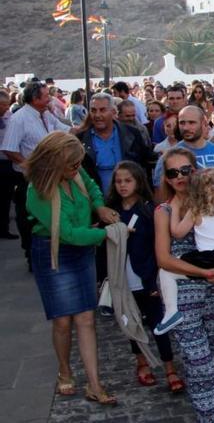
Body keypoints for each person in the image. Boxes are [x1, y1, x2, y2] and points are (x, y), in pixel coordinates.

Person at [25, 132, 120, 405]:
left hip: (82, 248)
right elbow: (67, 233)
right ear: (54, 163)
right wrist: (106, 234)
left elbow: (91, 187)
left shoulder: (75, 173)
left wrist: (100, 208)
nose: (78, 169)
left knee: (86, 319)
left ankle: (94, 383)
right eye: (72, 166)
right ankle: (65, 370)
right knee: (63, 320)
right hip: (54, 251)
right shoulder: (38, 191)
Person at [154, 147, 214, 422]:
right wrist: (200, 272)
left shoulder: (212, 203)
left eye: (185, 170)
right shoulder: (164, 211)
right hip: (185, 297)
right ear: (166, 178)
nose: (180, 176)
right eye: (173, 172)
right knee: (199, 362)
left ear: (195, 170)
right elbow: (164, 259)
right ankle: (211, 417)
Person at [105, 162, 184, 393]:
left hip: (147, 277)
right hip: (122, 277)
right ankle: (141, 363)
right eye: (119, 181)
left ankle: (169, 367)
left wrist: (154, 278)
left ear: (138, 182)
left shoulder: (149, 210)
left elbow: (158, 246)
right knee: (132, 322)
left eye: (127, 180)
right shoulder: (111, 210)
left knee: (158, 323)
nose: (122, 185)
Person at [157, 167, 214, 334]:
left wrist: (174, 207)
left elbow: (177, 232)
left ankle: (171, 312)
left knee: (166, 271)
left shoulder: (196, 211)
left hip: (208, 259)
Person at [2, 81, 74, 267]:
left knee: (47, 215)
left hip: (48, 177)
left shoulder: (46, 115)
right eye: (45, 96)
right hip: (28, 178)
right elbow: (9, 148)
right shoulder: (19, 119)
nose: (49, 99)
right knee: (28, 217)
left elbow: (64, 130)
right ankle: (31, 255)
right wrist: (29, 166)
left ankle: (48, 252)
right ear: (35, 99)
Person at [78, 92, 154, 194]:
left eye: (102, 110)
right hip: (96, 201)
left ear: (113, 112)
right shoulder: (81, 139)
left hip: (128, 201)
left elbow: (145, 162)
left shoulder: (132, 134)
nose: (97, 115)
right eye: (93, 110)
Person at [0, 90, 17, 239]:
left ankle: (3, 229)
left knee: (5, 198)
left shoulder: (9, 117)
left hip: (6, 164)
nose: (6, 107)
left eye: (7, 104)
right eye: (3, 105)